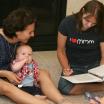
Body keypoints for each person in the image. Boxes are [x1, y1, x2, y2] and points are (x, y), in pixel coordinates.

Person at [0, 8, 72, 104]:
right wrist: (6, 74)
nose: (33, 35)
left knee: (42, 73)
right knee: (5, 87)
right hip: (4, 76)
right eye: (30, 32)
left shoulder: (18, 40)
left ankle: (63, 101)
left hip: (13, 73)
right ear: (18, 31)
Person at [57, 0, 104, 95]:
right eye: (87, 20)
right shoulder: (67, 22)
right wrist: (66, 69)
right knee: (64, 88)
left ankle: (88, 84)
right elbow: (60, 51)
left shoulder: (101, 26)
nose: (89, 25)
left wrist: (101, 71)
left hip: (94, 65)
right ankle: (98, 86)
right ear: (82, 11)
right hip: (74, 66)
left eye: (94, 23)